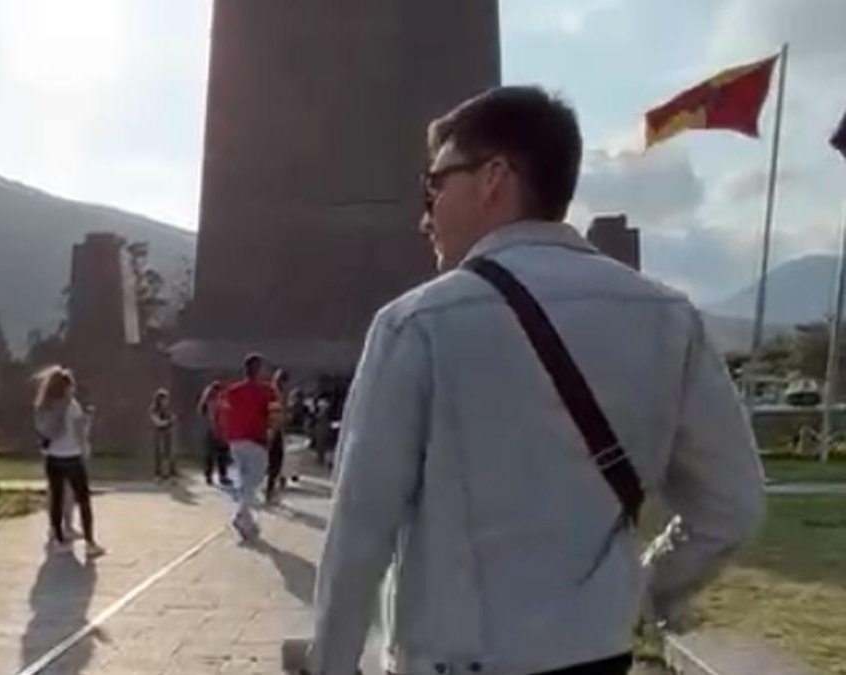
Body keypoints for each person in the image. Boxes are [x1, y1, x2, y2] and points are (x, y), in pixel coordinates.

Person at [304, 86, 765, 675]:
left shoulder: (418, 324)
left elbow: (360, 529)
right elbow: (731, 507)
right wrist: (645, 591)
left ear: (494, 177)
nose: (425, 215)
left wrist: (331, 663)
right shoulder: (671, 319)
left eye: (434, 185)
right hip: (598, 655)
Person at [34, 366, 105, 558]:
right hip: (71, 456)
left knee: (56, 499)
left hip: (52, 456)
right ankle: (90, 543)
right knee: (83, 500)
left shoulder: (45, 403)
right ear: (67, 387)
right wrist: (85, 445)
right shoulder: (71, 405)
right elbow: (79, 431)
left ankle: (58, 539)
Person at [221, 353, 277, 541]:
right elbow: (275, 415)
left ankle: (246, 520)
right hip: (255, 439)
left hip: (235, 439)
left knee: (244, 478)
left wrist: (226, 433)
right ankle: (241, 514)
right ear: (259, 370)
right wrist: (271, 433)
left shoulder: (232, 391)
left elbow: (224, 412)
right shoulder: (268, 391)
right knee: (254, 480)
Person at [198, 380, 231, 486]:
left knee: (214, 454)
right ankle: (219, 476)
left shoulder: (212, 402)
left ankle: (211, 475)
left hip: (216, 430)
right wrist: (216, 430)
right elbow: (213, 417)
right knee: (219, 454)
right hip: (216, 430)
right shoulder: (213, 402)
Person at [265, 368, 289, 504]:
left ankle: (272, 487)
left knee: (275, 461)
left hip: (275, 430)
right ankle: (269, 490)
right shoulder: (273, 393)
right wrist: (272, 432)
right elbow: (273, 415)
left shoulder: (277, 393)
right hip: (272, 431)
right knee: (274, 461)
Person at [149, 388, 176, 480]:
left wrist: (171, 420)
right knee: (159, 454)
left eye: (167, 399)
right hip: (159, 435)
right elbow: (157, 422)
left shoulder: (167, 410)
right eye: (164, 399)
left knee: (169, 454)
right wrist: (169, 421)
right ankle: (158, 474)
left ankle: (168, 474)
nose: (166, 401)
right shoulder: (154, 409)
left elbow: (170, 419)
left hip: (168, 434)